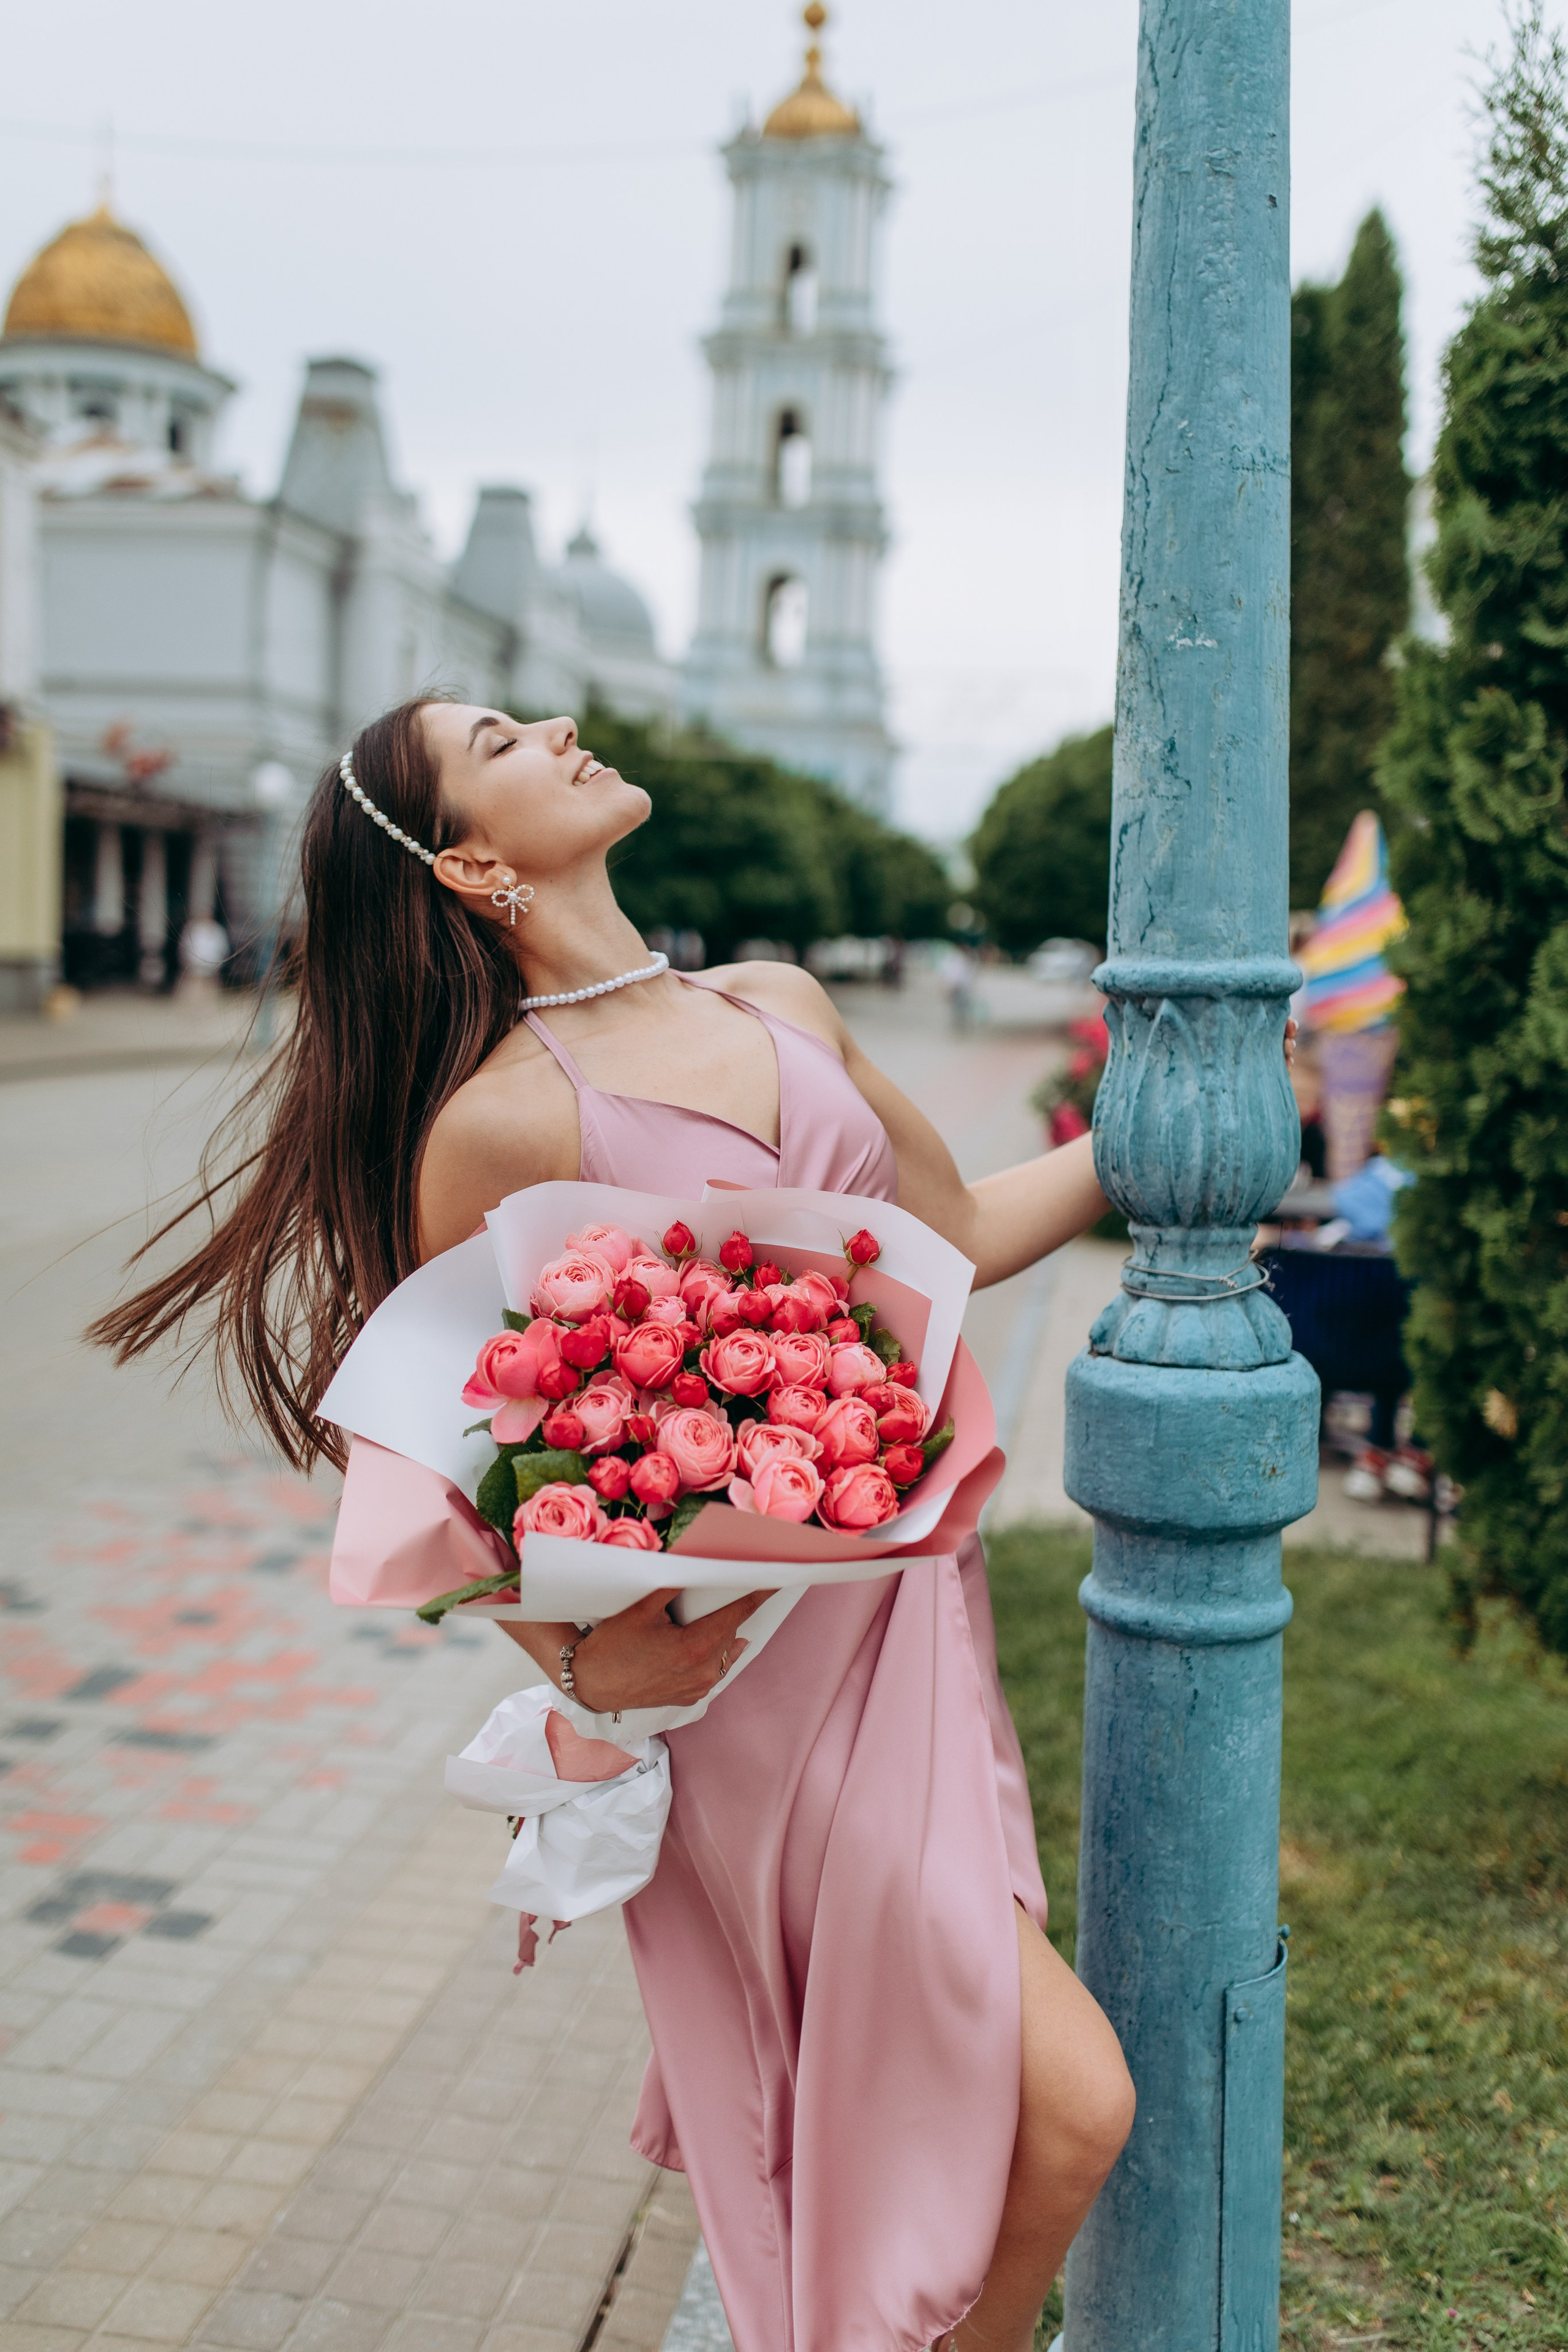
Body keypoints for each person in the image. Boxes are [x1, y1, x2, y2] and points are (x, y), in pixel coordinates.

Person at [92, 702, 1287, 2352]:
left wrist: (1191, 1115)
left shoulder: (781, 1002)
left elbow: (956, 1236)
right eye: (505, 738)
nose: (563, 726)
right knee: (1070, 2109)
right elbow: (453, 1461)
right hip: (746, 1700)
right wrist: (590, 1655)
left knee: (963, 2112)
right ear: (473, 861)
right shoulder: (504, 1123)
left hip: (911, 1628)